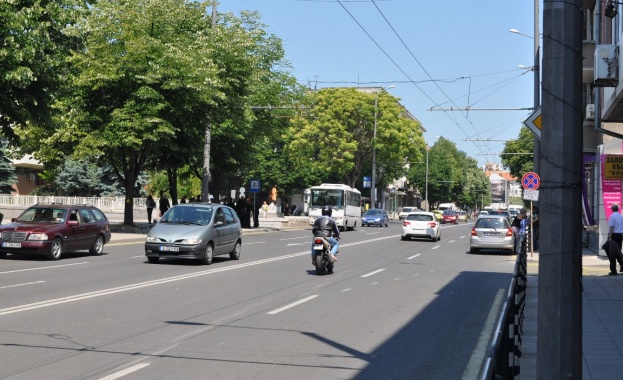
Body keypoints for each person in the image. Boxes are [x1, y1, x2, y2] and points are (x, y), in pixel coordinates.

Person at [608, 203, 623, 274]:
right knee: (618, 252)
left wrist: (609, 236)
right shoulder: (621, 216)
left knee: (612, 253)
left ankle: (613, 270)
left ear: (612, 209)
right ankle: (622, 264)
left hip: (614, 236)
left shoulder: (612, 216)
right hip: (620, 236)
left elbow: (611, 227)